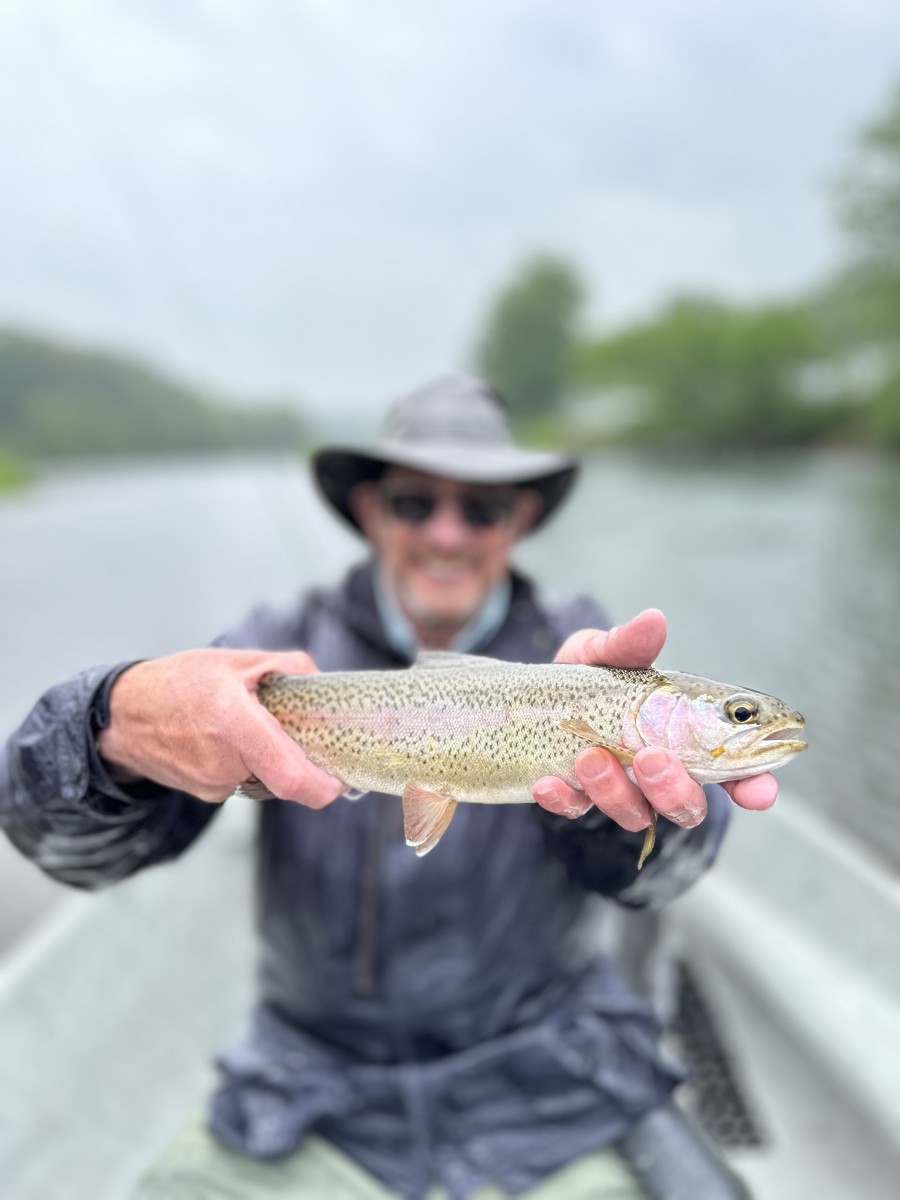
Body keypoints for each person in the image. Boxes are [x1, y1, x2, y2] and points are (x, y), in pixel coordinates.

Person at [0, 375, 773, 1200]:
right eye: (415, 504)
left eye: (481, 509)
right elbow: (63, 849)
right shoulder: (272, 653)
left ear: (519, 520)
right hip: (307, 1097)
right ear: (370, 510)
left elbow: (674, 876)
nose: (447, 534)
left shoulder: (586, 663)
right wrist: (107, 723)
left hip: (546, 1091)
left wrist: (623, 822)